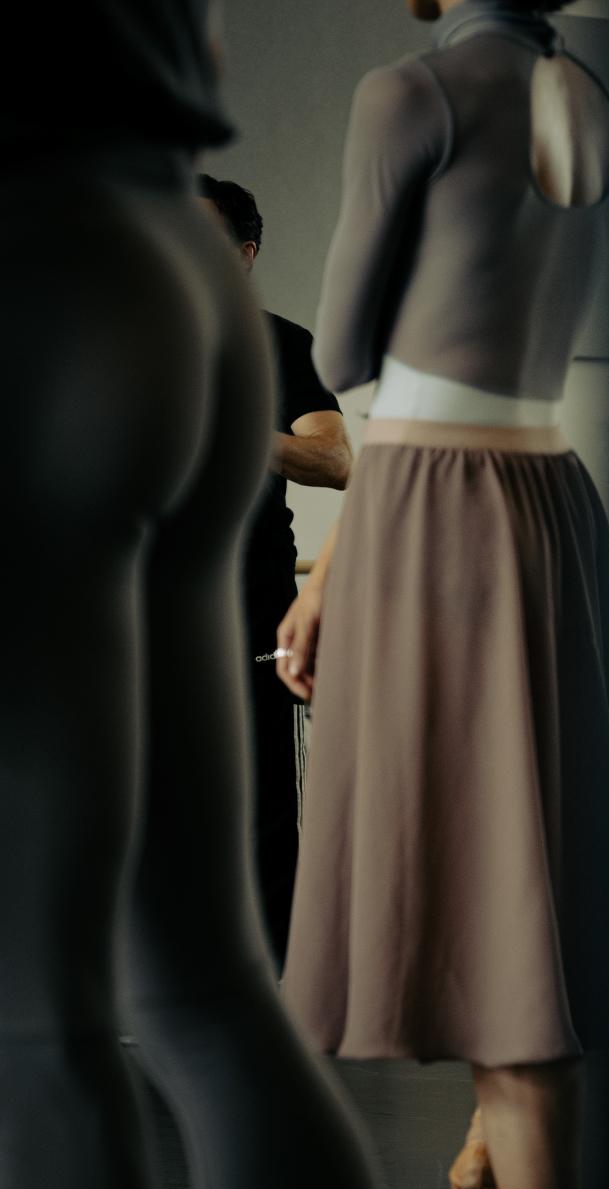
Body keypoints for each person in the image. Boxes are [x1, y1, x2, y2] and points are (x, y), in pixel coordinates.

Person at [1, 3, 395, 1189]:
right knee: (201, 985)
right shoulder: (211, 299)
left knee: (38, 1017)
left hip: (67, 243)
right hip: (131, 240)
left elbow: (341, 457)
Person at [272, 1, 609, 1189]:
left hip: (439, 515)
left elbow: (349, 351)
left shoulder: (406, 92)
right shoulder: (593, 95)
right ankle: (484, 1173)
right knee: (518, 876)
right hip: (544, 500)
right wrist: (327, 573)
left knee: (479, 888)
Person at [197, 174, 353, 969]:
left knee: (258, 797)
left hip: (251, 602)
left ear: (245, 254)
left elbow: (334, 459)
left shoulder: (279, 344)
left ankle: (271, 980)